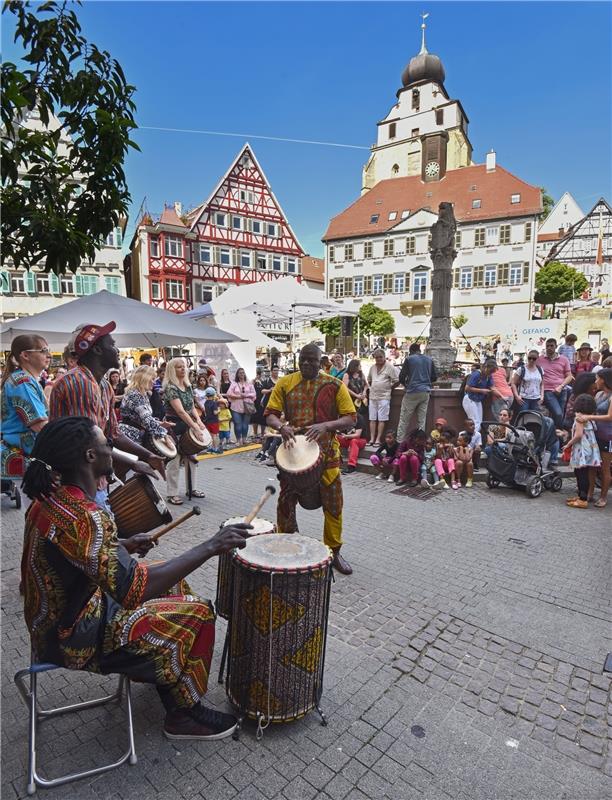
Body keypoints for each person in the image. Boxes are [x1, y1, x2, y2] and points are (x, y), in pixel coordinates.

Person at [21, 416, 250, 741]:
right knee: (199, 612)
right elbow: (132, 590)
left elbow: (72, 555)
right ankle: (184, 715)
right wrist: (212, 545)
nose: (111, 450)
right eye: (107, 444)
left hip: (51, 625)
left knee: (172, 582)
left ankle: (167, 675)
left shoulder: (52, 501)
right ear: (90, 456)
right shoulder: (87, 516)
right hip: (72, 639)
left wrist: (122, 546)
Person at [265, 344, 356, 575]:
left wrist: (326, 425)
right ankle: (285, 543)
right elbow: (270, 414)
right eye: (302, 360)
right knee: (285, 501)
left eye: (311, 361)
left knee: (334, 504)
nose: (306, 364)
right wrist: (281, 426)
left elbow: (351, 418)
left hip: (328, 455)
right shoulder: (285, 383)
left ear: (320, 361)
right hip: (294, 453)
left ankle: (333, 551)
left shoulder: (334, 385)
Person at [49, 323, 165, 498]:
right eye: (111, 344)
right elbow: (89, 442)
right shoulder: (79, 382)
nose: (117, 350)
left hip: (91, 477)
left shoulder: (104, 385)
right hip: (74, 480)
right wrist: (133, 462)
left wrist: (148, 456)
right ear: (96, 350)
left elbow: (114, 434)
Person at [1, 334, 50, 481]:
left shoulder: (23, 379)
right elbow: (40, 426)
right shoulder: (23, 382)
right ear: (25, 355)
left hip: (21, 456)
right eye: (43, 350)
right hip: (21, 460)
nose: (48, 354)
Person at [163, 357, 207, 504]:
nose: (183, 369)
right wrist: (195, 427)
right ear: (172, 370)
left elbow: (191, 407)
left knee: (192, 459)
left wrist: (199, 421)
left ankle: (191, 488)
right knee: (174, 461)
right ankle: (172, 493)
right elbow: (181, 412)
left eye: (184, 366)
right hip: (175, 426)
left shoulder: (188, 386)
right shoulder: (170, 387)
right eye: (179, 367)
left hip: (188, 424)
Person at [576, 368, 612, 509]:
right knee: (592, 465)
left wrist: (589, 417)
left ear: (604, 380)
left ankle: (603, 496)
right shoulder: (598, 395)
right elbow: (592, 410)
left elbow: (609, 417)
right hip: (594, 435)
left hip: (608, 436)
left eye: (597, 378)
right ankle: (590, 492)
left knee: (605, 467)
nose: (595, 381)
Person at [119, 366, 175, 452]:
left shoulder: (142, 394)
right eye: (152, 379)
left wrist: (160, 423)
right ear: (144, 378)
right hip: (130, 438)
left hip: (136, 436)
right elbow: (146, 420)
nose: (154, 382)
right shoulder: (134, 394)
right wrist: (165, 436)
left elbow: (142, 418)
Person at [564, 394, 601, 509]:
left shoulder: (579, 418)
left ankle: (583, 498)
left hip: (582, 449)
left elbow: (578, 435)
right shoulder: (589, 418)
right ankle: (581, 496)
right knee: (582, 472)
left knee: (581, 474)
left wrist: (568, 444)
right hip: (590, 448)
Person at [397, 343, 438, 440]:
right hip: (425, 392)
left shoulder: (409, 359)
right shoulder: (429, 359)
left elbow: (401, 377)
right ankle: (420, 442)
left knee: (404, 420)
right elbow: (434, 377)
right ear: (419, 350)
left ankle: (399, 441)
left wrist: (406, 385)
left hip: (412, 391)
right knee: (421, 421)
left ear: (411, 351)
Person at [537, 338, 573, 428]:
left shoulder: (564, 359)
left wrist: (561, 386)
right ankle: (559, 435)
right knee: (558, 414)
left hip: (562, 389)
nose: (549, 348)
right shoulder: (539, 359)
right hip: (547, 390)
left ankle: (557, 436)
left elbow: (569, 376)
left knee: (561, 414)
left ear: (556, 346)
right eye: (547, 346)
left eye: (551, 346)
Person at [367, 349, 398, 446]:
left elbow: (397, 380)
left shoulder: (390, 367)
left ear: (384, 357)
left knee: (381, 419)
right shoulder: (372, 367)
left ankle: (378, 439)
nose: (379, 359)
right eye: (376, 357)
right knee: (372, 418)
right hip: (373, 396)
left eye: (380, 357)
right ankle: (371, 439)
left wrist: (389, 387)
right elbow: (369, 380)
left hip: (384, 396)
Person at [462, 360, 494, 432]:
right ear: (486, 368)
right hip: (470, 399)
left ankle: (472, 439)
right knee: (475, 422)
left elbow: (492, 386)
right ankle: (471, 440)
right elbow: (467, 388)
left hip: (477, 400)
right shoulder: (476, 374)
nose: (491, 373)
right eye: (490, 371)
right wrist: (482, 390)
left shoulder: (488, 376)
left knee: (479, 423)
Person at [227, 368, 256, 446]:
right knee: (237, 424)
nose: (242, 374)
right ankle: (238, 440)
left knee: (245, 425)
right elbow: (229, 393)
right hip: (236, 407)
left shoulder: (249, 383)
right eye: (240, 373)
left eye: (243, 373)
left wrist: (246, 395)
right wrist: (239, 396)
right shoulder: (234, 383)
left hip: (247, 407)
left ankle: (244, 439)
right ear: (237, 374)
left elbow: (254, 394)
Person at [202, 386, 220, 451]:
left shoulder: (205, 403)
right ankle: (215, 448)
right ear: (214, 395)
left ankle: (210, 447)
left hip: (208, 421)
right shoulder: (214, 403)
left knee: (210, 435)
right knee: (214, 435)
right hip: (214, 421)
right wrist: (219, 410)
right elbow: (215, 413)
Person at [251, 367, 266, 440]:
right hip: (255, 401)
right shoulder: (254, 381)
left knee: (263, 418)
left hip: (262, 401)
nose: (259, 374)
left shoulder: (264, 381)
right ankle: (255, 433)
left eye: (260, 373)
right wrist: (254, 380)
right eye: (258, 373)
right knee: (255, 418)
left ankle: (263, 433)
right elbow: (250, 386)